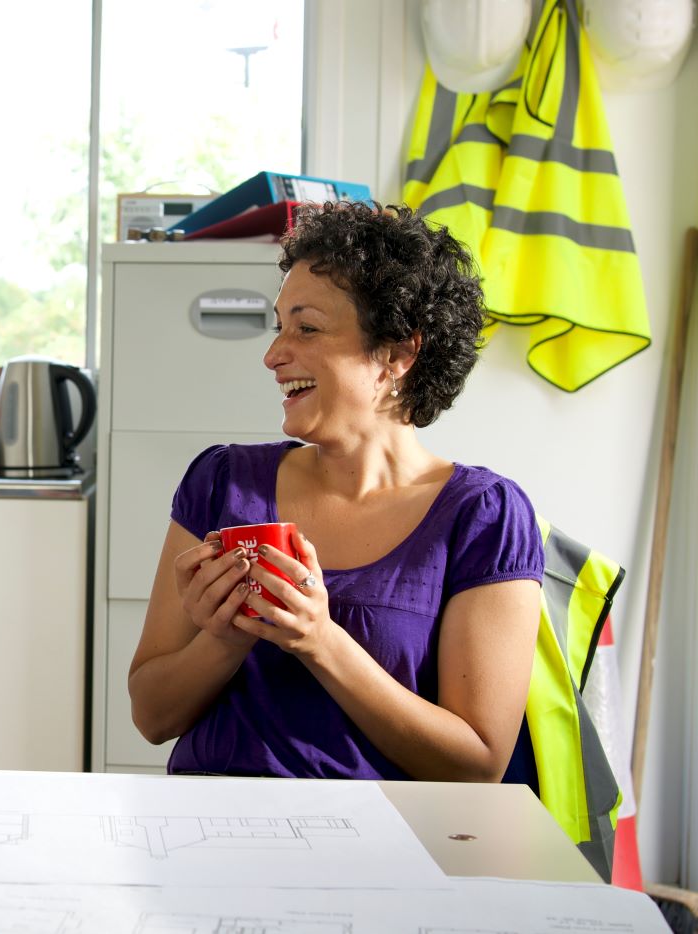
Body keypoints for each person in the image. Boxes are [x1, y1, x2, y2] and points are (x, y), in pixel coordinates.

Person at [128, 201, 543, 783]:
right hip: (210, 832)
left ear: (397, 354)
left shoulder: (483, 517)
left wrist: (320, 641)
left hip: (383, 850)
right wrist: (222, 639)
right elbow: (150, 715)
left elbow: (476, 765)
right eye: (279, 327)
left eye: (308, 328)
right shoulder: (222, 482)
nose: (273, 355)